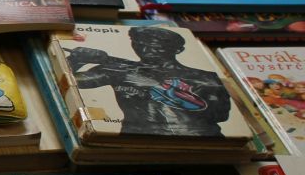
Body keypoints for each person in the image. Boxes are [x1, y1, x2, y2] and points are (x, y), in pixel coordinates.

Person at [63, 26, 232, 137]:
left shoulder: (205, 77)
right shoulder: (118, 70)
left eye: (154, 45)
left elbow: (220, 115)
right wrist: (77, 60)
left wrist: (155, 85)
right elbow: (67, 83)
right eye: (139, 43)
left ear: (178, 49)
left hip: (196, 138)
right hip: (134, 138)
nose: (145, 49)